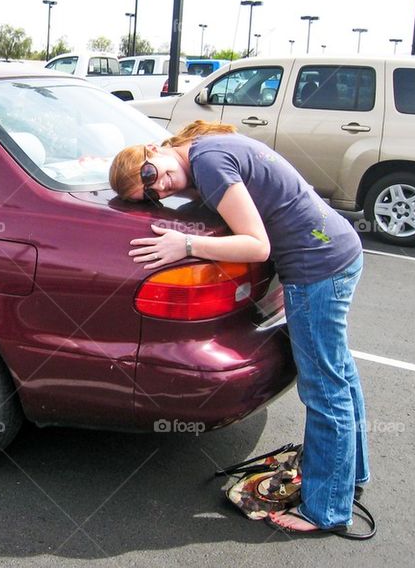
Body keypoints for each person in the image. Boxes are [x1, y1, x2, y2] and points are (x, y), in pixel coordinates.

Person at [110, 120, 368, 536]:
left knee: (324, 386)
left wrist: (186, 244)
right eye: (152, 196)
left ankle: (327, 510)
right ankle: (349, 476)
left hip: (317, 269)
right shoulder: (207, 148)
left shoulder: (208, 164)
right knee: (339, 374)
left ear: (151, 149)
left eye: (149, 175)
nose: (160, 189)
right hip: (337, 251)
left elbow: (257, 245)